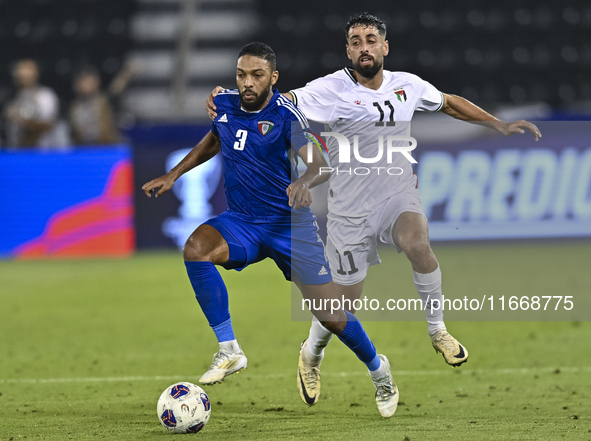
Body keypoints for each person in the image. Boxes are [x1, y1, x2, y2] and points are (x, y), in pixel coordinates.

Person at [206, 13, 542, 407]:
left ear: (384, 46)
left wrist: (498, 124)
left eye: (370, 39)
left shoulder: (408, 85)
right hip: (349, 211)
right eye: (355, 41)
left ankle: (438, 331)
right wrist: (227, 95)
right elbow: (278, 99)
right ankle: (311, 354)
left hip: (397, 194)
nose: (363, 47)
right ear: (347, 50)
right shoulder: (330, 88)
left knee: (417, 243)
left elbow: (449, 103)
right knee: (342, 307)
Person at [142, 42, 399, 418]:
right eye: (241, 75)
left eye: (257, 75)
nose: (248, 82)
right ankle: (229, 349)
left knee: (331, 315)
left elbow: (320, 165)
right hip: (242, 222)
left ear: (273, 78)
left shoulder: (286, 116)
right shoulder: (226, 105)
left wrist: (303, 183)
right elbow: (215, 139)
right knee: (196, 248)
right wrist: (173, 174)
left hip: (288, 227)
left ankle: (380, 372)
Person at [69, 62, 138, 145]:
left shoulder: (105, 101)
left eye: (88, 81)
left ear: (96, 82)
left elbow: (116, 89)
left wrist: (126, 73)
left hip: (107, 148)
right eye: (82, 81)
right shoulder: (74, 107)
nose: (85, 85)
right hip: (83, 149)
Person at [4, 59, 60, 148]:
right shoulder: (12, 98)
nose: (24, 75)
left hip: (40, 152)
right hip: (15, 151)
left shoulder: (45, 96)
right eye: (20, 73)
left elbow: (48, 124)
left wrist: (23, 122)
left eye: (28, 72)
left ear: (36, 74)